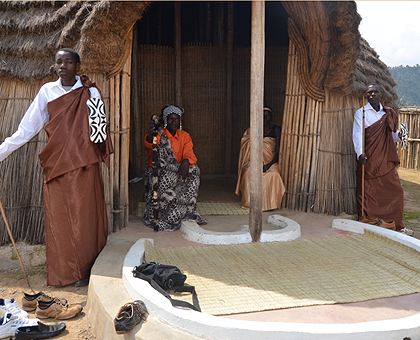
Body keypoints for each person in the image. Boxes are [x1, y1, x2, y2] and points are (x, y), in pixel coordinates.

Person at [0, 48, 113, 286]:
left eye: (68, 62)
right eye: (59, 62)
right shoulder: (47, 92)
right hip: (58, 164)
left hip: (84, 165)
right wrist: (2, 152)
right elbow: (27, 128)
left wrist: (92, 154)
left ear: (78, 66)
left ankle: (86, 270)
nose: (63, 66)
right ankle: (66, 272)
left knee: (85, 216)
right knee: (61, 219)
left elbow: (99, 131)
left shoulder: (89, 91)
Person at [352, 83, 412, 235]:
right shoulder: (362, 113)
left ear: (380, 94)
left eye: (374, 92)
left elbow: (391, 134)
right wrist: (360, 154)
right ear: (366, 95)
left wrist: (399, 136)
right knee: (370, 192)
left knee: (396, 191)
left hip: (386, 159)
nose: (372, 95)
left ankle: (396, 224)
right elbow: (357, 134)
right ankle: (372, 221)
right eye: (369, 93)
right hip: (370, 160)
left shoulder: (388, 113)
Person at [143, 105, 207, 231]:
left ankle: (185, 209)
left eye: (176, 119)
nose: (174, 122)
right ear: (166, 120)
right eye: (171, 119)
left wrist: (186, 161)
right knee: (168, 176)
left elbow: (189, 153)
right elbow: (150, 143)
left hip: (176, 170)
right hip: (161, 172)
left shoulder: (184, 136)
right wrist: (151, 134)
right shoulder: (160, 134)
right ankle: (163, 214)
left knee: (194, 170)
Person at [235, 106, 286, 211]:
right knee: (249, 173)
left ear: (271, 118)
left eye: (267, 116)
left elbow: (277, 151)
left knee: (274, 175)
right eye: (263, 116)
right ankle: (251, 203)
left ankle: (271, 204)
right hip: (253, 161)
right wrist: (255, 163)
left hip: (271, 161)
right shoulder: (252, 130)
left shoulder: (276, 130)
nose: (265, 119)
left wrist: (268, 164)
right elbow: (246, 149)